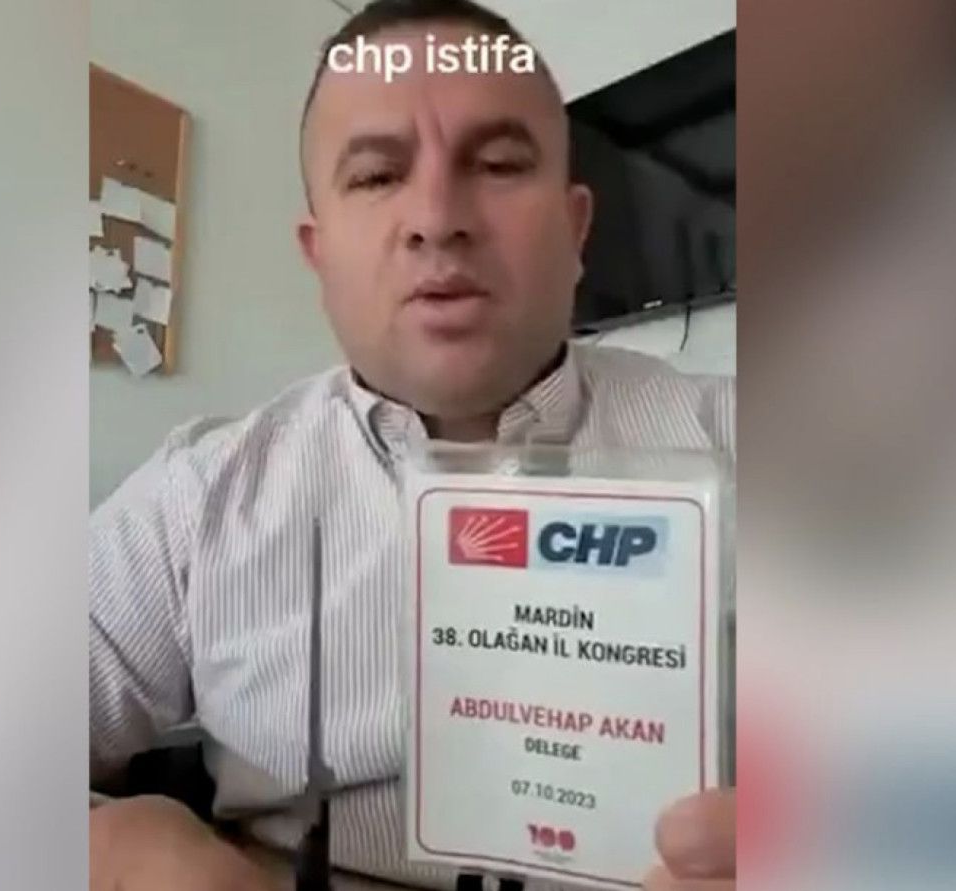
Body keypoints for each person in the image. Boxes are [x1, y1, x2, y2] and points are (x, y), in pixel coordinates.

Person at [89, 1, 736, 889]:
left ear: (577, 227)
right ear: (319, 254)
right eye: (376, 175)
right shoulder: (195, 500)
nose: (437, 217)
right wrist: (113, 847)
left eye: (498, 164)